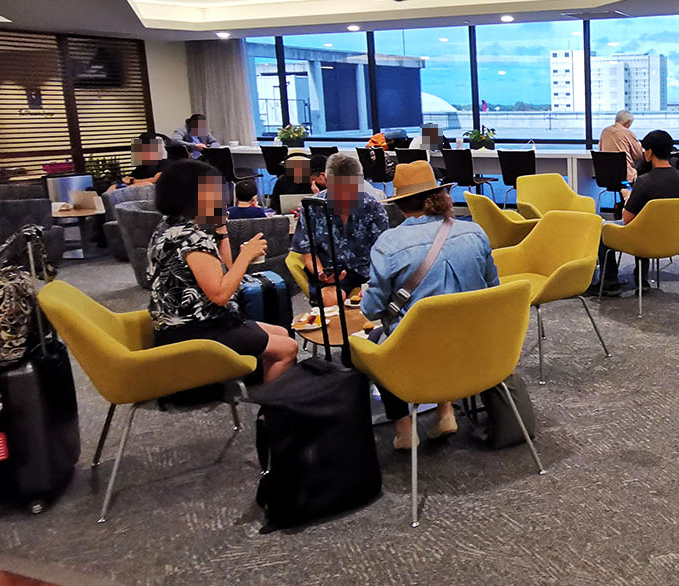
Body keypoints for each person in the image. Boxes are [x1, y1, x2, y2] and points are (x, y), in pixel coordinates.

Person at [360, 160, 498, 450]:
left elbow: (371, 310)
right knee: (443, 320)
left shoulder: (389, 243)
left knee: (377, 342)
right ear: (440, 196)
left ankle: (404, 430)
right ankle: (445, 411)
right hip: (479, 349)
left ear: (400, 205)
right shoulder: (474, 232)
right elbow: (492, 289)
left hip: (419, 355)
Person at [145, 159, 297, 383]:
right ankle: (271, 412)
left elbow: (225, 274)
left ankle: (269, 388)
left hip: (188, 324)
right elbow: (221, 294)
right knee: (288, 348)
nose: (222, 199)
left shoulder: (168, 227)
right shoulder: (191, 239)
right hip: (197, 332)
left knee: (282, 333)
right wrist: (246, 255)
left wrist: (221, 229)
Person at [593, 130, 679, 296]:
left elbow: (627, 219)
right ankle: (642, 280)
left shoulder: (644, 181)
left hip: (645, 239)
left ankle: (609, 284)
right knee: (648, 224)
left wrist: (628, 198)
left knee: (602, 228)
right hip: (674, 238)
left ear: (649, 152)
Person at [290, 152, 389, 307]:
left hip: (366, 270)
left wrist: (376, 283)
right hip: (330, 271)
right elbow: (307, 253)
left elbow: (383, 251)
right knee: (331, 300)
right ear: (326, 181)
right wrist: (321, 274)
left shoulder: (372, 207)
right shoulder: (312, 208)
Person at [599, 110, 643, 182]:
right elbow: (638, 155)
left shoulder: (605, 131)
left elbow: (600, 151)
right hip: (626, 175)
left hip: (607, 174)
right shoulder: (627, 132)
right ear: (628, 122)